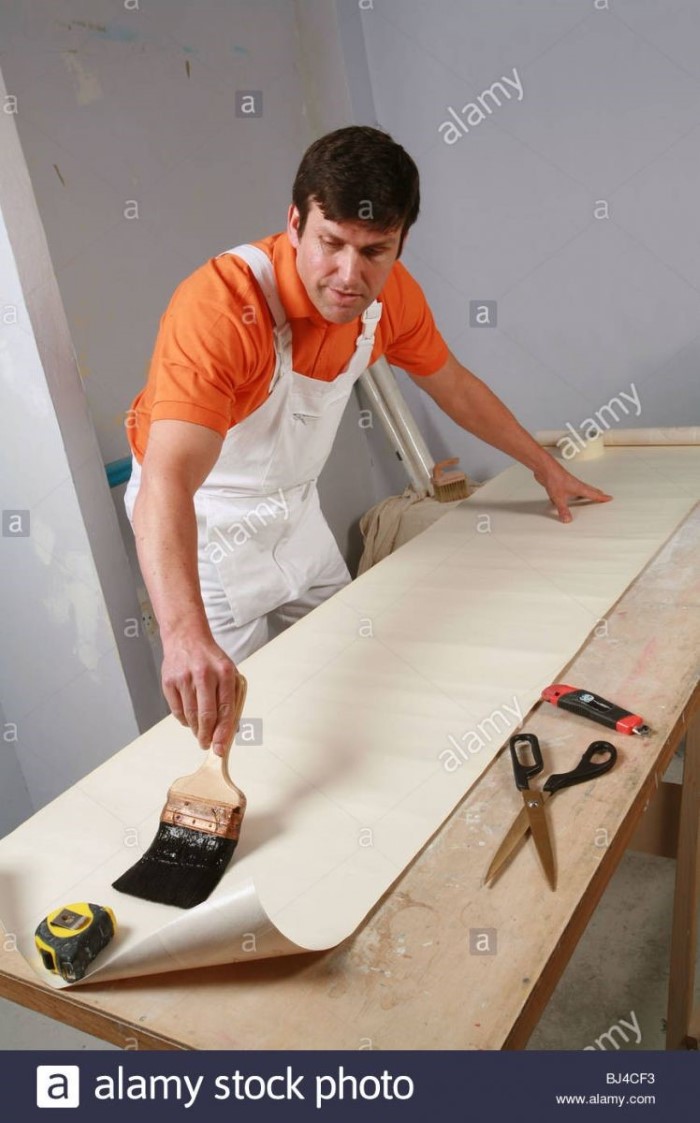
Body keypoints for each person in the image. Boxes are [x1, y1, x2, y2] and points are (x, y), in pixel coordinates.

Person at [124, 126, 611, 759]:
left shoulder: (391, 300)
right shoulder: (222, 310)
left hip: (297, 516)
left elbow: (455, 387)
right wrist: (184, 635)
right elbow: (167, 481)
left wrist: (544, 467)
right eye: (331, 244)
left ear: (401, 242)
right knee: (222, 731)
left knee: (355, 670)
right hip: (205, 529)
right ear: (295, 224)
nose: (348, 276)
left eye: (375, 251)